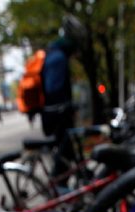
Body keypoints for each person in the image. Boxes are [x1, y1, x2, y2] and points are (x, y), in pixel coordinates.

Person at [41, 15, 86, 182]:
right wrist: (66, 105)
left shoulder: (58, 54)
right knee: (63, 157)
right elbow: (53, 88)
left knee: (68, 155)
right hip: (57, 116)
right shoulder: (58, 57)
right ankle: (57, 188)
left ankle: (62, 186)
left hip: (58, 114)